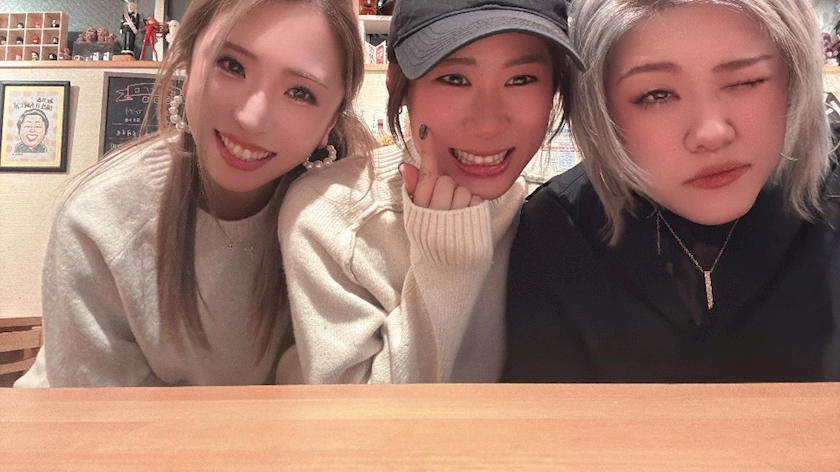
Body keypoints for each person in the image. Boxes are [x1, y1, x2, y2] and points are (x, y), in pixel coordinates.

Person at [15, 0, 373, 387]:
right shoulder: (100, 220)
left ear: (331, 121)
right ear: (187, 65)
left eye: (300, 92)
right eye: (232, 65)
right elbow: (95, 413)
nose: (252, 118)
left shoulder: (361, 226)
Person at [504, 0, 840, 382]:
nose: (710, 133)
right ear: (600, 107)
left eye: (745, 81)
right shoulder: (557, 233)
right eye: (656, 95)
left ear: (796, 76)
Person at [276, 0, 584, 384]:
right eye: (454, 78)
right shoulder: (332, 217)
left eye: (521, 79)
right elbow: (357, 415)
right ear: (398, 85)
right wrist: (446, 268)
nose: (488, 124)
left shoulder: (553, 212)